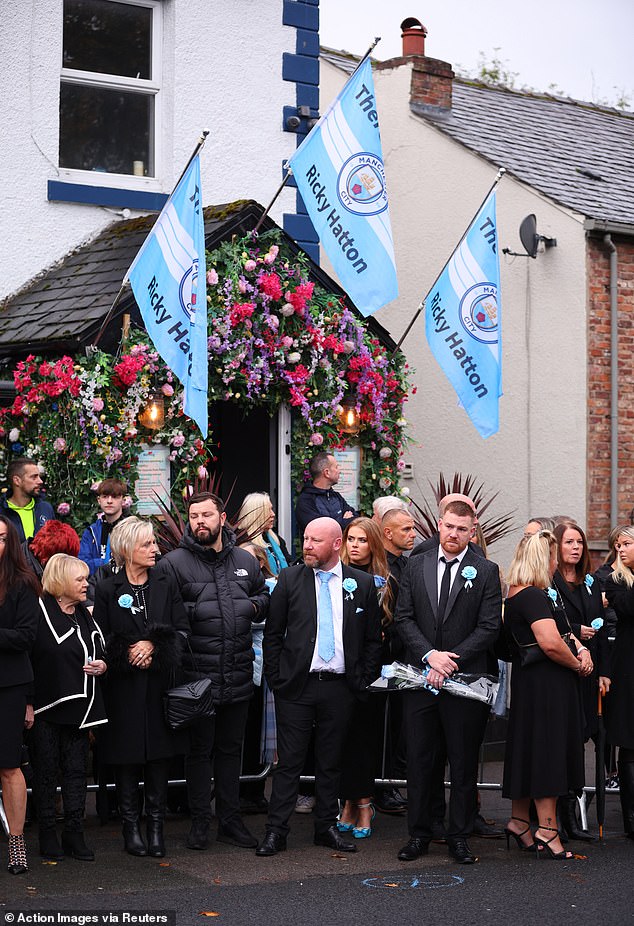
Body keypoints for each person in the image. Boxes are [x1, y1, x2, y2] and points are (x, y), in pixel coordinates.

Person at [256, 517, 382, 856]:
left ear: (336, 544)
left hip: (341, 687)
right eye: (306, 539)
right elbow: (273, 634)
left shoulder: (363, 583)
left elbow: (372, 639)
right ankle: (275, 831)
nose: (307, 546)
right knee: (290, 762)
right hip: (297, 686)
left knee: (330, 761)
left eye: (315, 540)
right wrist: (277, 678)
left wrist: (362, 679)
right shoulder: (290, 578)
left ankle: (325, 827)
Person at [156, 492, 269, 852]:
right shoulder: (172, 564)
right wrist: (194, 611)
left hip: (236, 671)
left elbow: (265, 595)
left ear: (222, 517)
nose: (199, 521)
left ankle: (230, 821)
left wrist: (252, 606)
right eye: (193, 516)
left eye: (206, 515)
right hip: (196, 675)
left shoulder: (245, 560)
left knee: (231, 751)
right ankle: (200, 821)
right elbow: (164, 615)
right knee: (199, 752)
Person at [393, 500, 502, 864]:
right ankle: (420, 833)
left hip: (465, 682)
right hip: (421, 678)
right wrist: (430, 656)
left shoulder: (486, 570)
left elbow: (489, 627)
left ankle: (458, 836)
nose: (453, 534)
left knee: (463, 760)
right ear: (439, 525)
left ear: (472, 531)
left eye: (461, 529)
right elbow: (403, 618)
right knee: (421, 760)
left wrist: (449, 660)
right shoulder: (414, 565)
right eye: (448, 526)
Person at [93, 516, 187, 858]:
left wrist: (154, 646)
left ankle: (157, 827)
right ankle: (130, 828)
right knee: (126, 758)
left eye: (153, 543)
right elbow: (99, 638)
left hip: (159, 686)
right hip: (122, 690)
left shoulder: (165, 583)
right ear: (127, 549)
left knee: (160, 758)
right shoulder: (106, 589)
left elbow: (181, 629)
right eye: (147, 544)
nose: (155, 549)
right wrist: (127, 651)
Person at [502, 531, 591, 860]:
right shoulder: (534, 597)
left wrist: (580, 648)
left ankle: (520, 821)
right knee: (547, 754)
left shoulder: (516, 593)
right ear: (542, 559)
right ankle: (548, 830)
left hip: (530, 685)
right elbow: (551, 643)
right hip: (547, 687)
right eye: (552, 556)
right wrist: (577, 665)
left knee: (529, 750)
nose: (556, 562)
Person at [31, 554, 108, 862]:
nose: (86, 584)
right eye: (79, 579)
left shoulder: (84, 614)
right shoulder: (39, 613)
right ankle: (48, 833)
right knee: (46, 773)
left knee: (77, 772)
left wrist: (103, 665)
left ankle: (75, 833)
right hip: (46, 707)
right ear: (61, 582)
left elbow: (99, 647)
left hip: (81, 707)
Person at [337, 517, 392, 838]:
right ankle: (347, 803)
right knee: (341, 742)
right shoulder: (336, 576)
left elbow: (392, 628)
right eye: (350, 539)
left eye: (361, 540)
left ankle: (364, 805)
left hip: (373, 674)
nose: (354, 546)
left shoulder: (386, 581)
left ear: (373, 544)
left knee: (364, 742)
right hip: (339, 672)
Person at [0, 516, 40, 875]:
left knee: (9, 766)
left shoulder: (23, 583)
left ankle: (16, 843)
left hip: (8, 686)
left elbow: (27, 637)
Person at [373, 505, 417, 815]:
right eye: (406, 529)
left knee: (397, 724)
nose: (413, 534)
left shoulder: (406, 565)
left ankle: (389, 783)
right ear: (388, 533)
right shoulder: (381, 568)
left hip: (404, 658)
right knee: (383, 726)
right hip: (383, 657)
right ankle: (380, 787)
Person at [603, 524, 634, 839]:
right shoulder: (615, 582)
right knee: (630, 742)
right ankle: (631, 819)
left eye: (626, 544)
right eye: (617, 545)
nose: (620, 550)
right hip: (628, 669)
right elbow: (628, 607)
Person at [295, 452, 356, 538]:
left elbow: (355, 518)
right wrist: (344, 521)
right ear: (327, 472)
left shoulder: (336, 496)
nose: (339, 471)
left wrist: (337, 523)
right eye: (336, 467)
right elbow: (322, 531)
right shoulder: (306, 501)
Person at [235, 492, 292, 575]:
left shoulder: (275, 539)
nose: (273, 514)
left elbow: (288, 562)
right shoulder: (242, 542)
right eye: (268, 510)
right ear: (256, 514)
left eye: (272, 509)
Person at [79, 479, 128, 575]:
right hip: (97, 586)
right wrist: (107, 562)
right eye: (105, 497)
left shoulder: (132, 529)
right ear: (99, 500)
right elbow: (83, 565)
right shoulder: (91, 532)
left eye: (114, 497)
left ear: (123, 500)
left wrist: (97, 563)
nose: (109, 501)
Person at [1, 458, 54, 543]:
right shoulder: (2, 512)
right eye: (34, 477)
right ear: (17, 480)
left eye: (39, 476)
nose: (40, 481)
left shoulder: (45, 508)